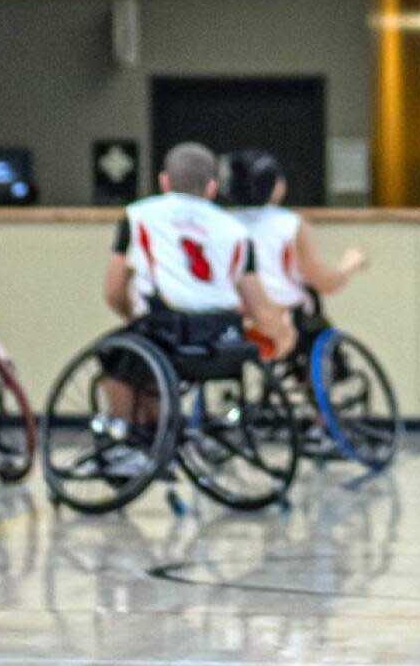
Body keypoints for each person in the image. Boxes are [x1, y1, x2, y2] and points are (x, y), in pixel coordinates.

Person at [102, 142, 296, 470]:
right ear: (212, 188)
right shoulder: (236, 230)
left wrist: (129, 316)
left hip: (168, 328)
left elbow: (113, 290)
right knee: (148, 362)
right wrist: (283, 336)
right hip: (222, 338)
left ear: (164, 182)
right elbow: (258, 304)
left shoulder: (139, 216)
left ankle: (128, 443)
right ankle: (162, 439)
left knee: (115, 355)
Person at [222, 148, 367, 358]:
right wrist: (348, 265)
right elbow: (324, 282)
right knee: (317, 325)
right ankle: (321, 379)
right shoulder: (289, 224)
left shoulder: (220, 222)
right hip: (279, 317)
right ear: (277, 186)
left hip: (230, 318)